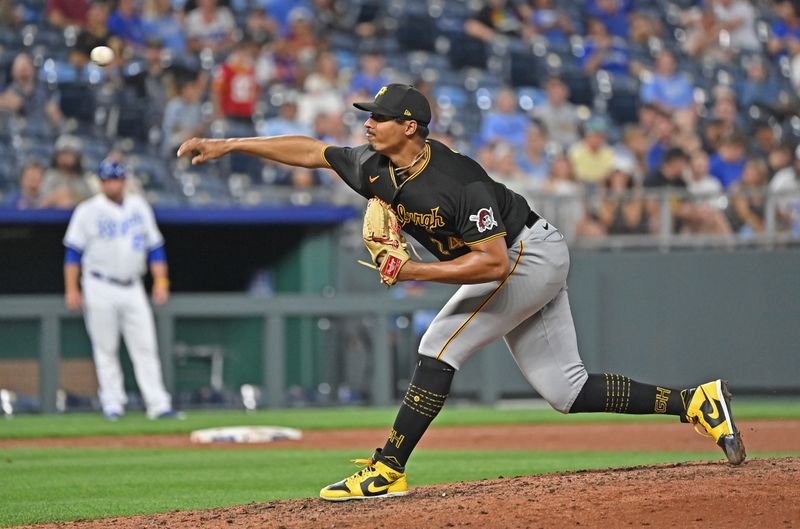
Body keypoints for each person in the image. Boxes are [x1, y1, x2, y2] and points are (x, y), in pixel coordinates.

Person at [177, 83, 745, 501]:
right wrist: (230, 144)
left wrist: (412, 273)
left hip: (526, 254)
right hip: (521, 257)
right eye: (369, 116)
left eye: (380, 118)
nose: (368, 124)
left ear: (411, 127)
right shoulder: (375, 166)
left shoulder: (455, 179)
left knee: (439, 345)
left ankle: (389, 467)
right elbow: (311, 151)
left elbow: (494, 265)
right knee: (565, 390)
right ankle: (695, 401)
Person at [63, 158, 181, 421]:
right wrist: (71, 288)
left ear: (124, 181)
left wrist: (161, 280)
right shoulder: (88, 210)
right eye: (106, 179)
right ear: (101, 182)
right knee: (105, 349)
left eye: (115, 178)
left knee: (146, 347)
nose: (111, 184)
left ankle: (158, 404)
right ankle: (112, 404)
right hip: (98, 284)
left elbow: (155, 247)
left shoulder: (139, 207)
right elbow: (73, 253)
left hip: (133, 285)